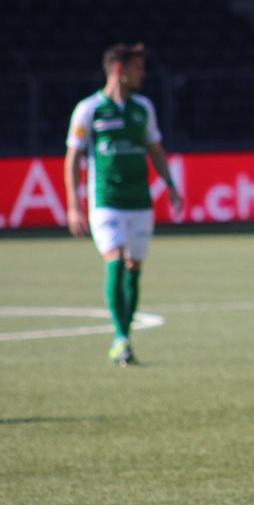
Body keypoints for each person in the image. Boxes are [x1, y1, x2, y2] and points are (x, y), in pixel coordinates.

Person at [64, 42, 183, 366]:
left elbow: (155, 149)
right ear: (120, 69)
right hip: (106, 202)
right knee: (115, 261)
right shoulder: (89, 110)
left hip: (140, 202)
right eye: (138, 67)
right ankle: (120, 338)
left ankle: (124, 337)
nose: (142, 73)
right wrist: (74, 205)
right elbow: (73, 157)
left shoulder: (143, 107)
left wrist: (170, 185)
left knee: (135, 269)